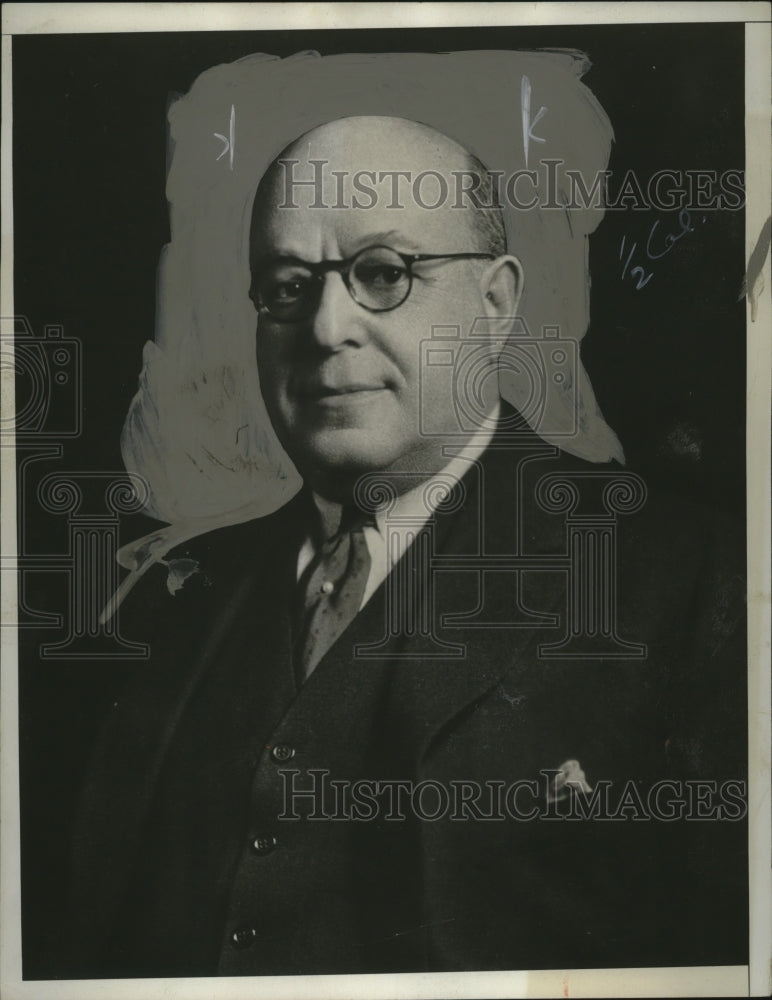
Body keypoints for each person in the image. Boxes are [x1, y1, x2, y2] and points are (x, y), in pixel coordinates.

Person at [66, 116, 747, 978]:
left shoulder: (697, 577)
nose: (324, 328)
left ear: (495, 305)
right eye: (285, 285)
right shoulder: (167, 596)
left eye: (382, 274)